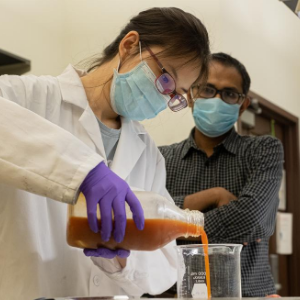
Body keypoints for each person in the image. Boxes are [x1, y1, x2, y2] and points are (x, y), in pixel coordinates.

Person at [0, 7, 210, 300]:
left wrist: (121, 259)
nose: (165, 98)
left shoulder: (148, 154)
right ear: (129, 45)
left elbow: (165, 268)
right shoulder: (29, 96)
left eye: (175, 95)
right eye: (166, 80)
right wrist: (84, 171)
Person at [159, 53, 284, 297]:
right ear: (191, 95)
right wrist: (212, 196)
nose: (217, 99)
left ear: (243, 105)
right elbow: (143, 221)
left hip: (248, 294)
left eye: (229, 93)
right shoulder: (161, 159)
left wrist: (172, 222)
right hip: (173, 294)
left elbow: (252, 219)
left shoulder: (264, 150)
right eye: (207, 89)